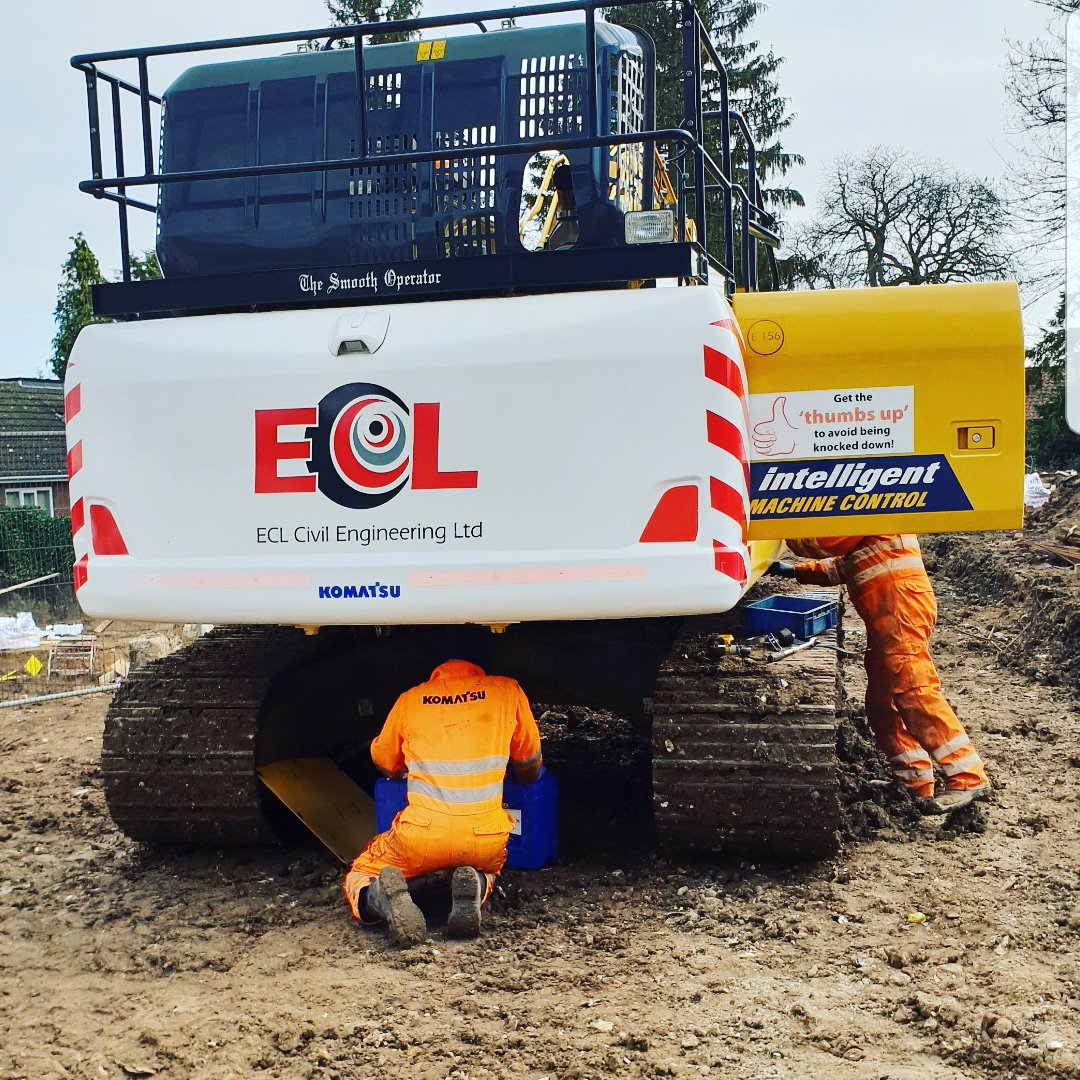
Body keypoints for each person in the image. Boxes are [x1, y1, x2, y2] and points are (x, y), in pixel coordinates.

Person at [771, 535, 989, 814]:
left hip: (900, 605)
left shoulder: (867, 505)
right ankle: (913, 780)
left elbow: (820, 542)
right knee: (880, 703)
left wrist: (778, 522)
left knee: (915, 690)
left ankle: (967, 777)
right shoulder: (863, 519)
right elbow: (844, 565)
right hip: (890, 606)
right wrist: (793, 571)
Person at [343, 659, 542, 945]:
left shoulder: (410, 699)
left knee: (362, 870)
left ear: (436, 675)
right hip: (484, 838)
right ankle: (475, 882)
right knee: (490, 867)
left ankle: (379, 899)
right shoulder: (507, 690)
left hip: (421, 838)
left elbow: (386, 765)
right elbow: (530, 767)